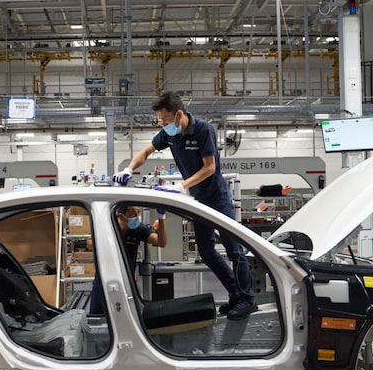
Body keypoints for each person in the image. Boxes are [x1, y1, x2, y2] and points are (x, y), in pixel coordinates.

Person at [112, 91, 255, 320]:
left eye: (165, 120)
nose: (163, 125)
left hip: (217, 198)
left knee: (233, 250)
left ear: (179, 115)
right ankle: (235, 294)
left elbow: (210, 167)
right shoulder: (170, 134)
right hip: (198, 199)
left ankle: (247, 299)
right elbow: (145, 152)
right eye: (160, 121)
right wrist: (129, 168)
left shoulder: (203, 130)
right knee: (207, 252)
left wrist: (182, 186)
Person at [89, 205, 167, 314]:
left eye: (138, 213)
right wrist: (112, 235)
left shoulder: (138, 229)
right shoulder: (108, 227)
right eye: (133, 213)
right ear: (121, 216)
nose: (137, 217)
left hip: (126, 283)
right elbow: (90, 243)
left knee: (126, 317)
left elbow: (161, 242)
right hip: (103, 282)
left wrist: (161, 218)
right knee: (96, 318)